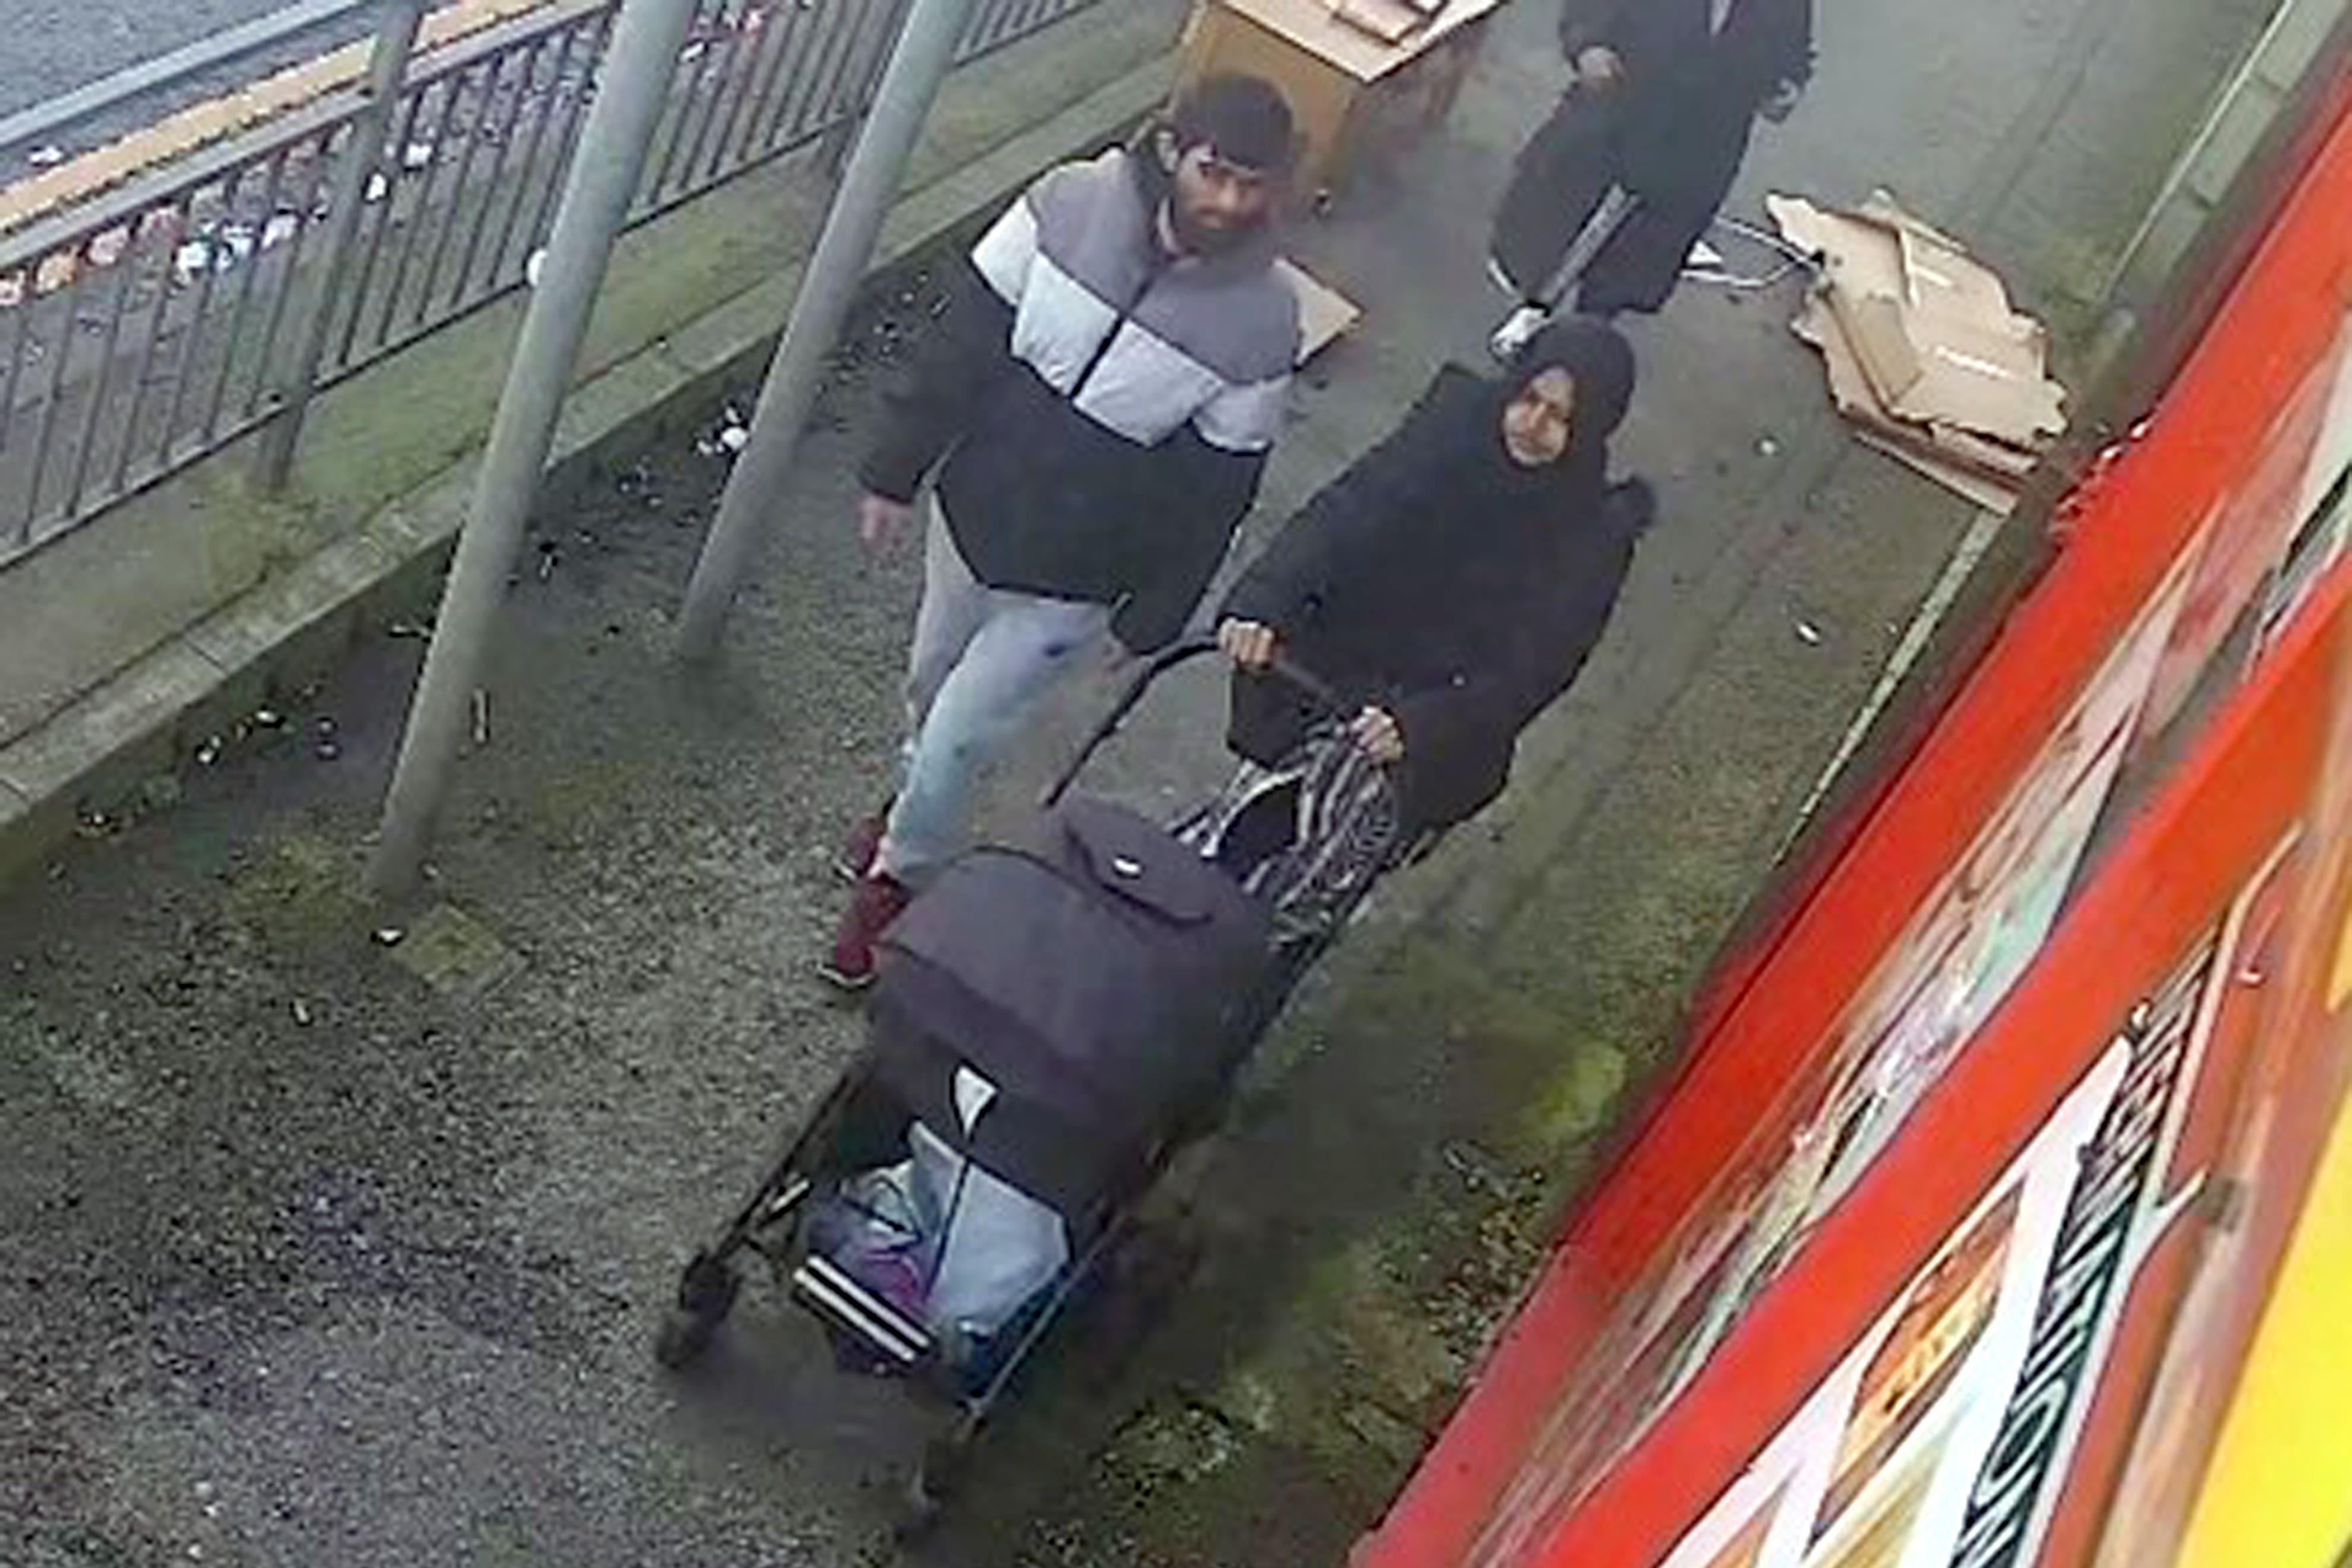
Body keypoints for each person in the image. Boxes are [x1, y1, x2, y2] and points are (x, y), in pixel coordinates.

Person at [822, 75, 1303, 990]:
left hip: (1079, 578)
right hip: (973, 516)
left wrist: (1155, 612)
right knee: (929, 680)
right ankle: (913, 801)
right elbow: (962, 341)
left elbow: (1219, 486)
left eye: (1251, 185)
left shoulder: (1263, 324)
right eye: (1216, 174)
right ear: (1172, 151)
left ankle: (902, 873)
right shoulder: (1063, 205)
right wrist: (896, 465)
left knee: (965, 730)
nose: (1230, 202)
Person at [1214, 317, 1650, 860]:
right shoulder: (1455, 428)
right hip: (1329, 669)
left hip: (1430, 728)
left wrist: (1424, 726)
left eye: (1559, 416)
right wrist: (1265, 601)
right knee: (1248, 819)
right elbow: (1350, 509)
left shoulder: (1592, 534)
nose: (1531, 424)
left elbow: (1534, 670)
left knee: (1325, 862)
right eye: (1528, 397)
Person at [1487, 0, 1812, 355]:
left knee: (1638, 249)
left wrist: (1785, 88)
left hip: (1700, 143)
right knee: (1567, 219)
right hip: (1621, 104)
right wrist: (1588, 45)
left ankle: (1588, 332)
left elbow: (1792, 55)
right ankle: (1536, 307)